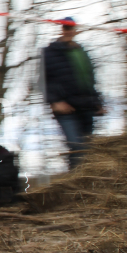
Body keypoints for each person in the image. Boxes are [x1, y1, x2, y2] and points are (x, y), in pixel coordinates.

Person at [42, 18, 104, 169]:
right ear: (61, 30)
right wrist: (55, 101)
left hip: (86, 106)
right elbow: (43, 79)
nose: (69, 31)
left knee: (87, 148)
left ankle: (83, 182)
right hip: (66, 108)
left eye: (71, 28)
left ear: (76, 30)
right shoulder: (50, 52)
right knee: (76, 146)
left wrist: (97, 102)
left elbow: (89, 79)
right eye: (65, 28)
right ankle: (76, 185)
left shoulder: (81, 52)